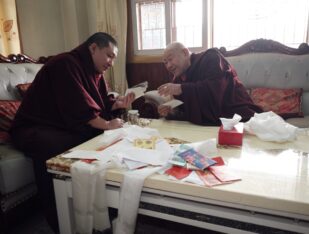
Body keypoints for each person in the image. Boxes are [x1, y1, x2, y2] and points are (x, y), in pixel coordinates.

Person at [10, 32, 135, 233]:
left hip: (61, 125)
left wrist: (114, 105)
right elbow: (78, 105)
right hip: (34, 128)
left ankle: (101, 204)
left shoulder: (94, 72)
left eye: (114, 58)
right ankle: (61, 217)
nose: (111, 63)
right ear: (93, 48)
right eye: (109, 55)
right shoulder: (64, 64)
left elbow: (98, 104)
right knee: (69, 143)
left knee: (94, 138)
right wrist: (107, 125)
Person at [157, 42, 262, 125]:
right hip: (202, 124)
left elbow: (215, 88)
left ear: (185, 53)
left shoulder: (210, 57)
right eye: (165, 62)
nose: (168, 66)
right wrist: (172, 111)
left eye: (170, 59)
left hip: (234, 116)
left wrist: (182, 89)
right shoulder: (178, 79)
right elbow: (189, 111)